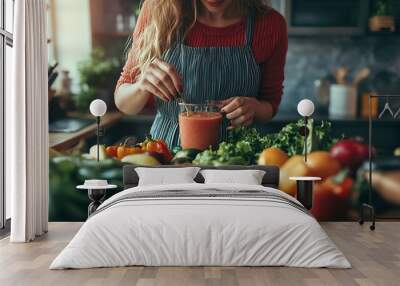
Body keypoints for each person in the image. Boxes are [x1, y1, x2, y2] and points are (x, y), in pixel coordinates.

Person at [115, 0, 288, 148]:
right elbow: (123, 103)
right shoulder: (160, 10)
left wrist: (255, 108)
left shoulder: (270, 24)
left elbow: (270, 104)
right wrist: (140, 86)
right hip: (166, 155)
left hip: (236, 159)